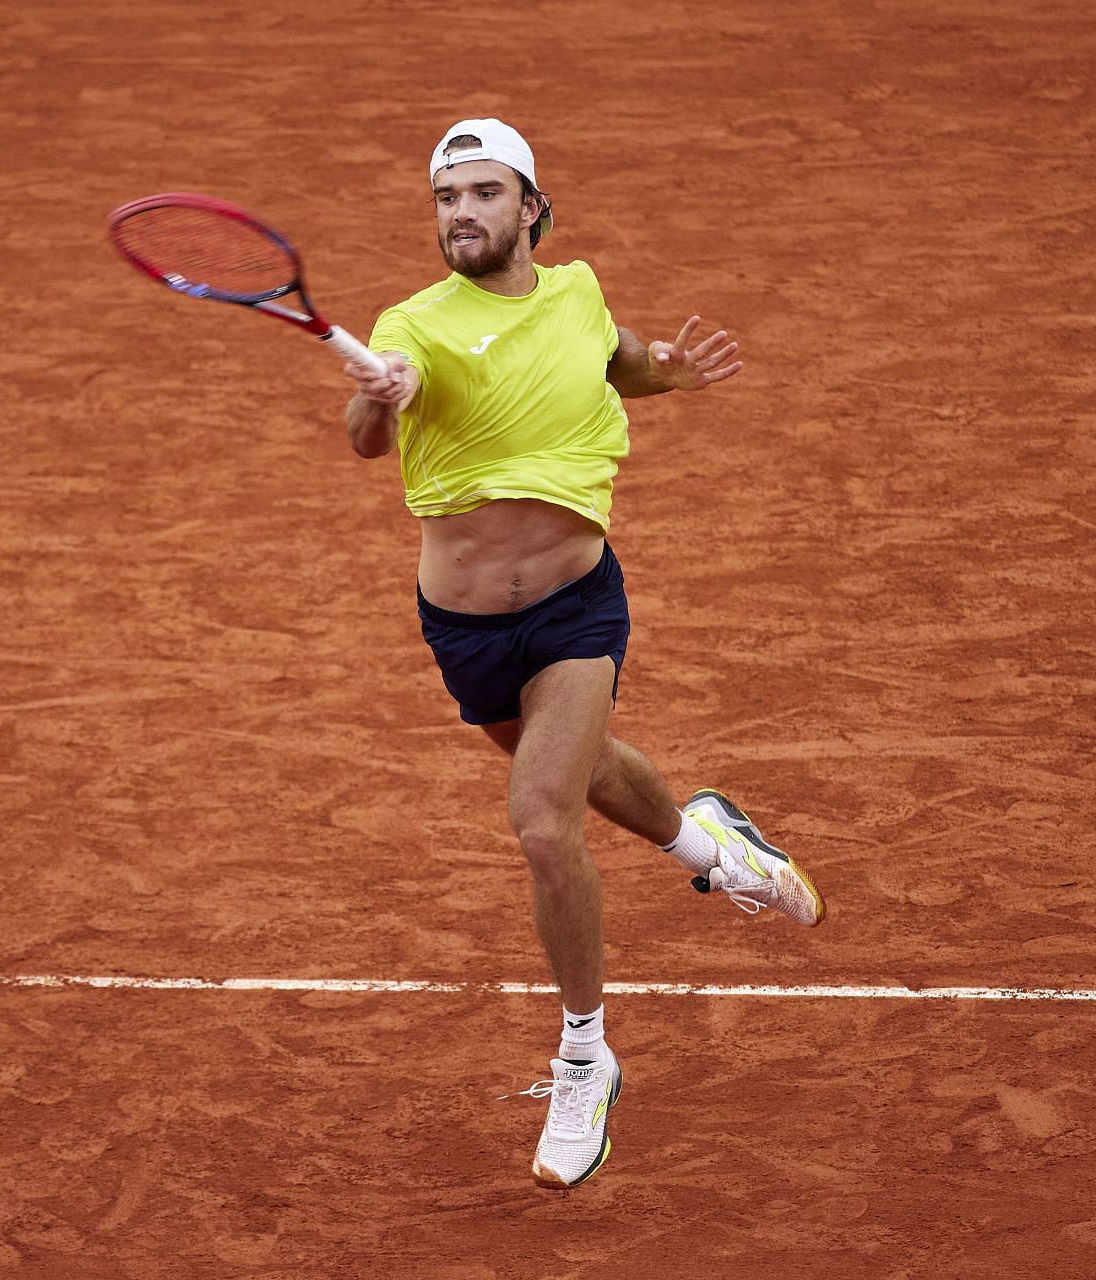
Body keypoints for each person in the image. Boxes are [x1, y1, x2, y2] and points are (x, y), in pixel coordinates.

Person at [341, 119, 827, 1190]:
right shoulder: (409, 325)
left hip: (573, 609)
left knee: (543, 820)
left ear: (530, 209)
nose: (459, 213)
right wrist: (380, 400)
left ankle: (582, 1054)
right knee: (593, 770)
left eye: (481, 192)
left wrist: (666, 371)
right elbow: (366, 435)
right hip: (462, 628)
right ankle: (718, 848)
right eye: (443, 198)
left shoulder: (577, 292)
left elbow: (616, 365)